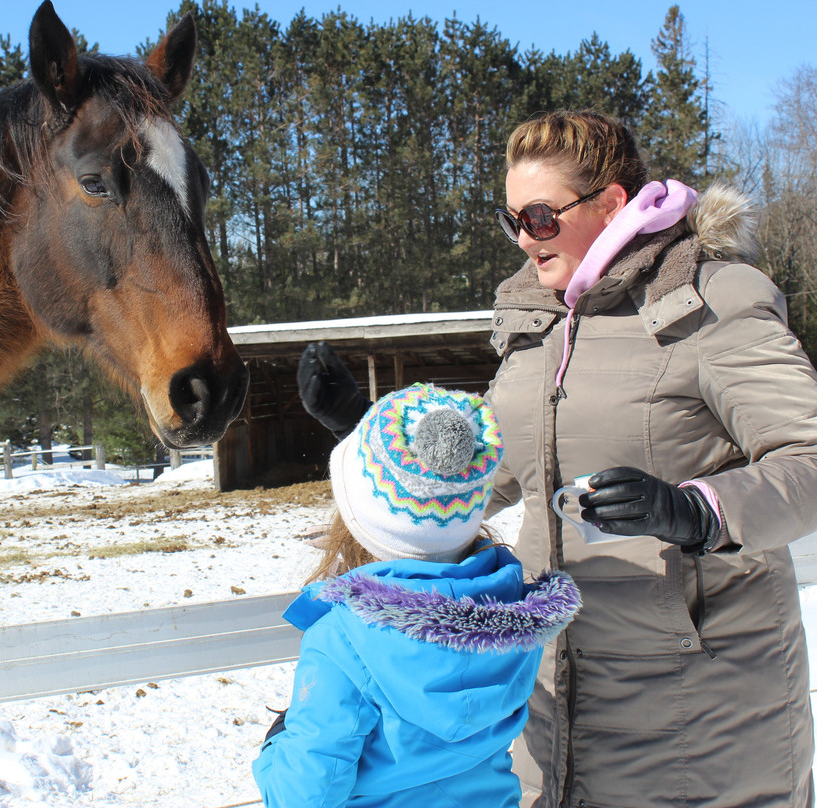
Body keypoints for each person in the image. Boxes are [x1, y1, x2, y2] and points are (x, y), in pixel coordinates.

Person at [297, 110, 817, 807]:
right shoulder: (536, 320)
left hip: (699, 714)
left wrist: (697, 511)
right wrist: (367, 432)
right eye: (512, 219)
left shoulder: (710, 298)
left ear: (611, 204)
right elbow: (486, 474)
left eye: (540, 217)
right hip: (548, 697)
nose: (523, 238)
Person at [253, 383, 581, 808]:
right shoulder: (514, 616)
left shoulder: (344, 640)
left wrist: (276, 743)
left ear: (359, 519)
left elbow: (302, 795)